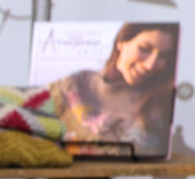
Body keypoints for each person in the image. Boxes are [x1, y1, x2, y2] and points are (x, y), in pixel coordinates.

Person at [51, 22, 179, 158]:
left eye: (163, 56)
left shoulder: (161, 101)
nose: (150, 64)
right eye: (144, 49)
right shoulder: (73, 84)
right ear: (121, 42)